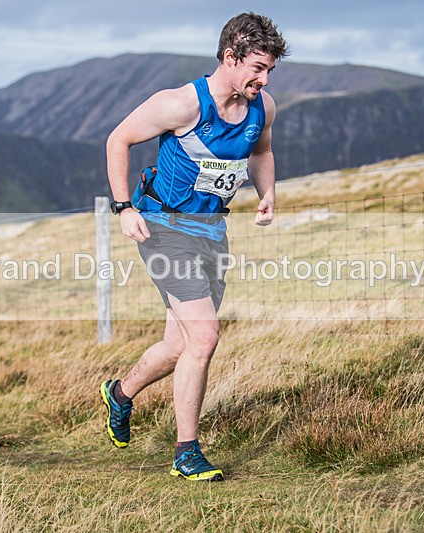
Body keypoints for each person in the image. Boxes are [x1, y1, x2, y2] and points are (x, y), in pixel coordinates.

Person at [101, 12, 288, 482]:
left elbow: (261, 153)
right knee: (205, 337)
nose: (263, 80)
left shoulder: (263, 107)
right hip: (163, 228)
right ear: (230, 57)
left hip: (211, 232)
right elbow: (118, 139)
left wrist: (267, 193)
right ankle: (187, 452)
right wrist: (124, 207)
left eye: (269, 71)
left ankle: (121, 394)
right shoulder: (181, 104)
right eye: (257, 68)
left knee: (177, 344)